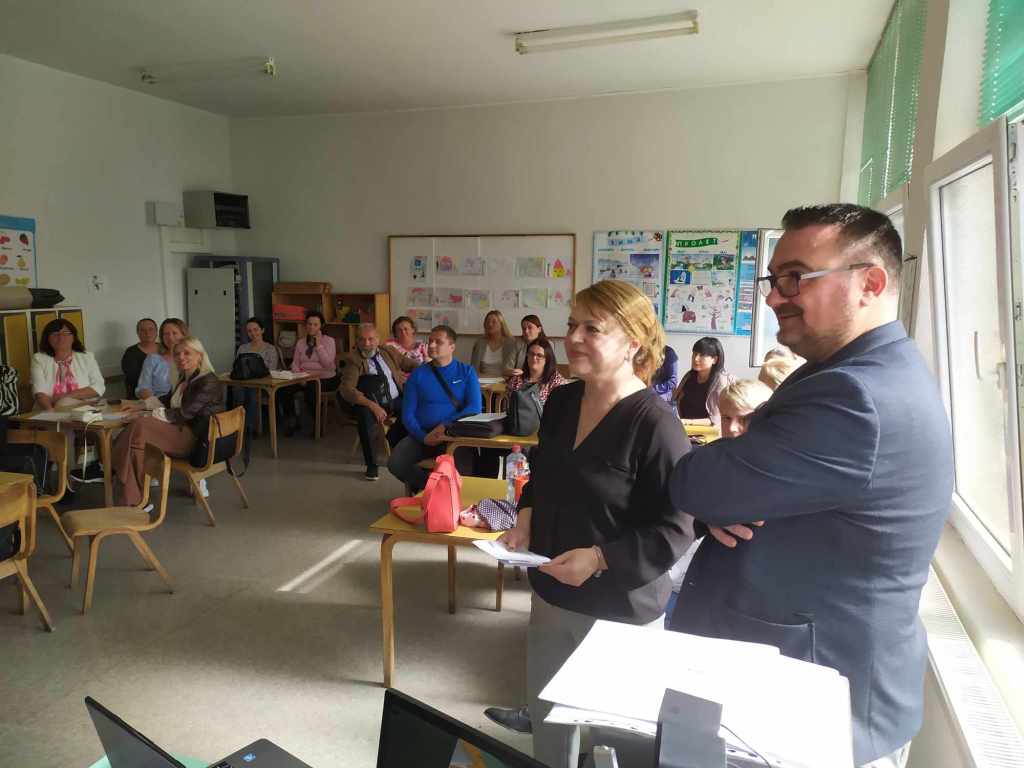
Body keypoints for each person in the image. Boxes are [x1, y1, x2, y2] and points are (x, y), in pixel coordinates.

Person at [667, 204, 954, 767]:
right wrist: (737, 485)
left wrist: (728, 485)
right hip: (800, 681)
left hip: (813, 702)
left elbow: (696, 483)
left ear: (870, 283)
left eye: (796, 277)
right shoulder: (854, 370)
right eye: (773, 279)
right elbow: (738, 483)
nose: (775, 297)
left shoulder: (856, 397)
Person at [499, 280, 692, 768]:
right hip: (551, 592)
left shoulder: (656, 425)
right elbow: (542, 474)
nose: (573, 338)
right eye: (571, 325)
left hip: (618, 612)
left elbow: (675, 529)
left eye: (592, 328)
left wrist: (601, 558)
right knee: (549, 725)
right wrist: (526, 518)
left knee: (614, 743)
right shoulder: (562, 402)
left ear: (632, 342)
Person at [664, 378, 772, 625]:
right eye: (726, 417)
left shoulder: (779, 468)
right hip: (702, 580)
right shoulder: (709, 460)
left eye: (745, 419)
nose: (732, 428)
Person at [112, 336, 224, 506]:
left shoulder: (208, 380)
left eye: (187, 353)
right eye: (177, 354)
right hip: (182, 431)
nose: (181, 357)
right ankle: (134, 500)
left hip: (196, 440)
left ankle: (116, 468)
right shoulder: (185, 378)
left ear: (199, 355)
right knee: (137, 442)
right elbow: (169, 400)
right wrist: (140, 406)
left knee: (140, 426)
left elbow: (184, 413)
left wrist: (145, 415)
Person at [387, 325, 481, 493]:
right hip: (423, 434)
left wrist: (445, 426)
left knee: (464, 473)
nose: (431, 345)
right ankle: (434, 490)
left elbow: (474, 408)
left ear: (452, 347)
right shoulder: (418, 374)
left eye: (438, 342)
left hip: (454, 435)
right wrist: (423, 437)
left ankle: (442, 494)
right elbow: (408, 414)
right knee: (395, 463)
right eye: (430, 341)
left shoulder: (467, 372)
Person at [339, 323, 415, 481]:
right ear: (357, 341)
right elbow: (347, 389)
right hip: (369, 402)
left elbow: (408, 364)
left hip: (395, 399)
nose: (366, 343)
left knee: (414, 410)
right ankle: (372, 464)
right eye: (362, 339)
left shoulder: (388, 351)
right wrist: (373, 406)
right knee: (365, 417)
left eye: (370, 339)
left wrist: (430, 369)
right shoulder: (353, 360)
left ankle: (397, 443)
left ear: (378, 339)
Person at [280, 310, 338, 436]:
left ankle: (317, 425)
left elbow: (328, 364)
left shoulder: (329, 341)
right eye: (309, 324)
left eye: (315, 324)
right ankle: (293, 420)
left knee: (311, 389)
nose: (312, 327)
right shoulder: (301, 342)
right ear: (305, 325)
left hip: (325, 378)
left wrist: (318, 346)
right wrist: (300, 377)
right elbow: (295, 363)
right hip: (304, 377)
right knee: (284, 389)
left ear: (321, 325)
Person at [31, 318, 105, 410]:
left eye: (66, 333)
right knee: (63, 404)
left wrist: (64, 397)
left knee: (64, 403)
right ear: (47, 338)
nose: (61, 337)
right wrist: (51, 413)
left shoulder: (87, 357)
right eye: (55, 334)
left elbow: (98, 387)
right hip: (48, 409)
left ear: (74, 337)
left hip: (85, 408)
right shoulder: (39, 359)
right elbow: (39, 392)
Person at [230, 317, 281, 431]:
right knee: (237, 390)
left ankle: (249, 428)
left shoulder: (270, 349)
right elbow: (237, 367)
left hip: (262, 385)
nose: (253, 333)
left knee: (251, 393)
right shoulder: (243, 348)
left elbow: (271, 370)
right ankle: (237, 427)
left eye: (256, 330)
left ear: (262, 330)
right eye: (249, 331)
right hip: (244, 383)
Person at [671, 336, 732, 427]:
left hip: (708, 432)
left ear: (714, 360)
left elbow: (715, 419)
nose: (696, 359)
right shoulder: (689, 376)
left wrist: (687, 422)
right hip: (685, 429)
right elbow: (674, 400)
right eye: (694, 354)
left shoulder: (720, 381)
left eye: (702, 355)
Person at [505, 337, 568, 404]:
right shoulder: (516, 379)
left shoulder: (557, 382)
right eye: (531, 354)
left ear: (547, 359)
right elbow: (508, 404)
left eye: (539, 355)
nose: (534, 358)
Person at [137, 318, 189, 400]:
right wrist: (155, 403)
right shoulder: (153, 359)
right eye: (166, 334)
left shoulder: (193, 358)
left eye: (174, 333)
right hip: (158, 404)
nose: (170, 337)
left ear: (184, 335)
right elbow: (143, 388)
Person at [470, 310, 518, 377]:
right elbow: (473, 369)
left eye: (494, 322)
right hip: (482, 380)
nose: (490, 324)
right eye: (487, 322)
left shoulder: (511, 343)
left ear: (501, 324)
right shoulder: (480, 343)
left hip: (504, 380)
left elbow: (511, 370)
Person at [120, 318, 159, 399]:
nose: (147, 333)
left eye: (151, 329)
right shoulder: (131, 353)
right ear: (138, 333)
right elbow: (135, 379)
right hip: (139, 399)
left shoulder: (164, 349)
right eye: (143, 330)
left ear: (156, 331)